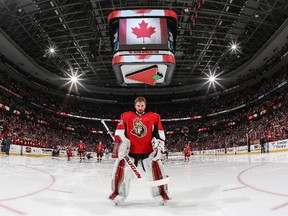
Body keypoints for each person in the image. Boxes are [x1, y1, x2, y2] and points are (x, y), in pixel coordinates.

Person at [108, 97, 170, 205]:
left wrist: (159, 146)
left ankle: (161, 195)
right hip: (130, 152)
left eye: (142, 106)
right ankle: (118, 195)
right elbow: (119, 133)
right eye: (138, 106)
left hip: (148, 152)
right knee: (122, 174)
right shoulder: (126, 116)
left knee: (156, 173)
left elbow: (159, 133)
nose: (140, 108)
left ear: (145, 105)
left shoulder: (154, 117)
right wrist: (121, 146)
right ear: (135, 105)